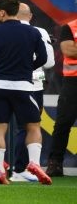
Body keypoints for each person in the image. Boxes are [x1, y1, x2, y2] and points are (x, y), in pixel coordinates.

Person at [0, 0, 51, 185]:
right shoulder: (33, 33)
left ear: (3, 12)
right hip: (23, 87)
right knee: (33, 126)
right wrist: (27, 68)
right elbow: (44, 59)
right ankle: (34, 163)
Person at [10, 3, 54, 182]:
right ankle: (20, 169)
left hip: (5, 83)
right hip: (33, 84)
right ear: (30, 16)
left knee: (6, 127)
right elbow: (49, 62)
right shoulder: (40, 32)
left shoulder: (3, 31)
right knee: (29, 127)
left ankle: (7, 168)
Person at [45, 17, 77, 177]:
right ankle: (55, 163)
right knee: (63, 123)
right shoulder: (69, 27)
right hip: (73, 83)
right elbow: (69, 50)